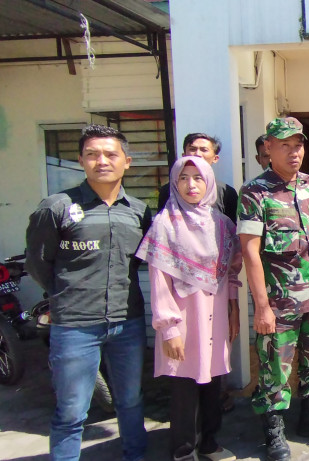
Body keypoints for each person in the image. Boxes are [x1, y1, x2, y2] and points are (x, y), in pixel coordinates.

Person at [25, 124, 150, 461]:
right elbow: (37, 263)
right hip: (75, 326)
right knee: (71, 410)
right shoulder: (56, 207)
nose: (102, 161)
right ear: (80, 160)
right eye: (93, 154)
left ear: (127, 161)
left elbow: (140, 260)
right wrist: (65, 295)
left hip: (128, 322)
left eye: (111, 154)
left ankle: (135, 455)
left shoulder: (138, 211)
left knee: (131, 400)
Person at [239, 117, 309, 461]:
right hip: (279, 302)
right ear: (268, 147)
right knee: (274, 368)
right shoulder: (254, 192)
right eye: (285, 144)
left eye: (298, 144)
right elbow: (250, 252)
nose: (293, 151)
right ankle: (273, 431)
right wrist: (262, 306)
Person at [137, 157, 241, 461]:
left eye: (198, 177)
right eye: (183, 178)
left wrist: (233, 308)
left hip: (216, 314)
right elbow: (158, 281)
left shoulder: (222, 224)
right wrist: (169, 328)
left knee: (213, 384)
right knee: (184, 388)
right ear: (174, 182)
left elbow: (231, 271)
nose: (191, 184)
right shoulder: (165, 224)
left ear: (209, 181)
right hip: (181, 318)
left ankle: (209, 443)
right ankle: (184, 451)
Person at [157, 133, 239, 221]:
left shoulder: (225, 192)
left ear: (215, 158)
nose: (197, 154)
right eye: (192, 149)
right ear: (184, 155)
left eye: (204, 150)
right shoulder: (169, 190)